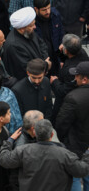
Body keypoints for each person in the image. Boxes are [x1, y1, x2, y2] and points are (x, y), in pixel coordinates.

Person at [0, 119, 89, 191]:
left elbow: (4, 160)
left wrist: (10, 140)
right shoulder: (65, 154)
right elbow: (82, 170)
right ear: (52, 134)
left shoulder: (23, 151)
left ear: (35, 133)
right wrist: (87, 153)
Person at [56, 61, 89, 190]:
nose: (74, 78)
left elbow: (61, 124)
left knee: (74, 177)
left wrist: (62, 140)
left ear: (84, 79)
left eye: (77, 76)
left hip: (76, 145)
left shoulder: (73, 98)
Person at [2, 7, 50, 80]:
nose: (35, 27)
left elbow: (42, 44)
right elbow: (26, 68)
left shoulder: (28, 32)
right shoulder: (14, 46)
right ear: (22, 28)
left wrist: (45, 58)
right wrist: (45, 65)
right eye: (32, 25)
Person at [50, 34, 89, 125]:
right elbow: (68, 57)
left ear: (66, 50)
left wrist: (55, 81)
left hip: (66, 101)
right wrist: (61, 52)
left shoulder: (71, 72)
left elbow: (63, 91)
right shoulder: (81, 52)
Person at [8, 110, 43, 191]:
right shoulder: (21, 146)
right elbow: (15, 174)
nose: (44, 125)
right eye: (42, 123)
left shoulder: (32, 136)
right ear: (33, 128)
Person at [34, 0, 63, 76]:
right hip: (42, 58)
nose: (48, 12)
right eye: (44, 10)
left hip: (56, 55)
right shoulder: (32, 22)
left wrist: (62, 59)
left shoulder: (55, 15)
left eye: (49, 8)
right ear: (36, 9)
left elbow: (61, 35)